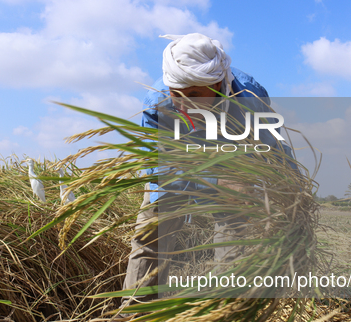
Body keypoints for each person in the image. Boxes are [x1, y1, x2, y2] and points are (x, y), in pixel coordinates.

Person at [121, 33, 292, 304]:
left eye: (194, 95)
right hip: (175, 168)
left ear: (217, 84)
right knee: (150, 237)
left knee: (234, 233)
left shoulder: (249, 98)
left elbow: (275, 148)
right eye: (176, 94)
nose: (183, 104)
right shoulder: (157, 103)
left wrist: (290, 192)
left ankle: (220, 313)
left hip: (232, 165)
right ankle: (132, 320)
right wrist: (213, 179)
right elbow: (157, 166)